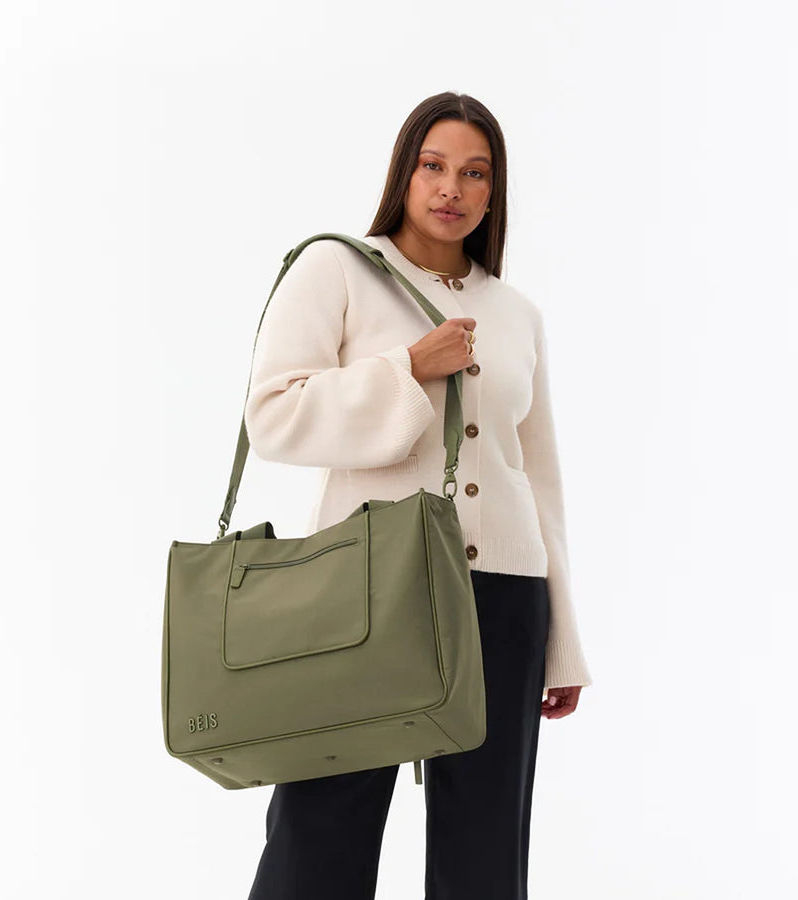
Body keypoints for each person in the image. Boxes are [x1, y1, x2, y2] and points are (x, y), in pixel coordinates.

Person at [243, 90, 593, 900]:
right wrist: (407, 368)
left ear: (493, 192)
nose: (451, 188)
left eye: (475, 173)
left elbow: (538, 477)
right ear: (404, 171)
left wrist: (563, 639)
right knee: (316, 839)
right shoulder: (336, 269)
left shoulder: (517, 314)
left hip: (503, 597)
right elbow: (273, 417)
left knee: (485, 856)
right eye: (434, 165)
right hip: (365, 590)